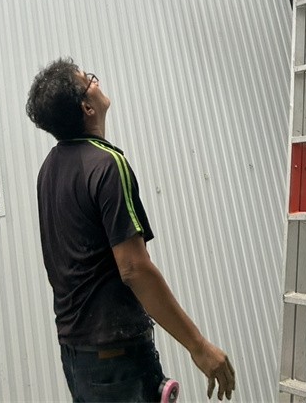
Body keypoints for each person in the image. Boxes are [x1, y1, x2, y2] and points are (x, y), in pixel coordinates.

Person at [26, 58, 236, 403]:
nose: (96, 81)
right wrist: (199, 346)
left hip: (78, 354)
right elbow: (134, 268)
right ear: (87, 107)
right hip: (117, 360)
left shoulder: (49, 168)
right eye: (89, 80)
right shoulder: (108, 165)